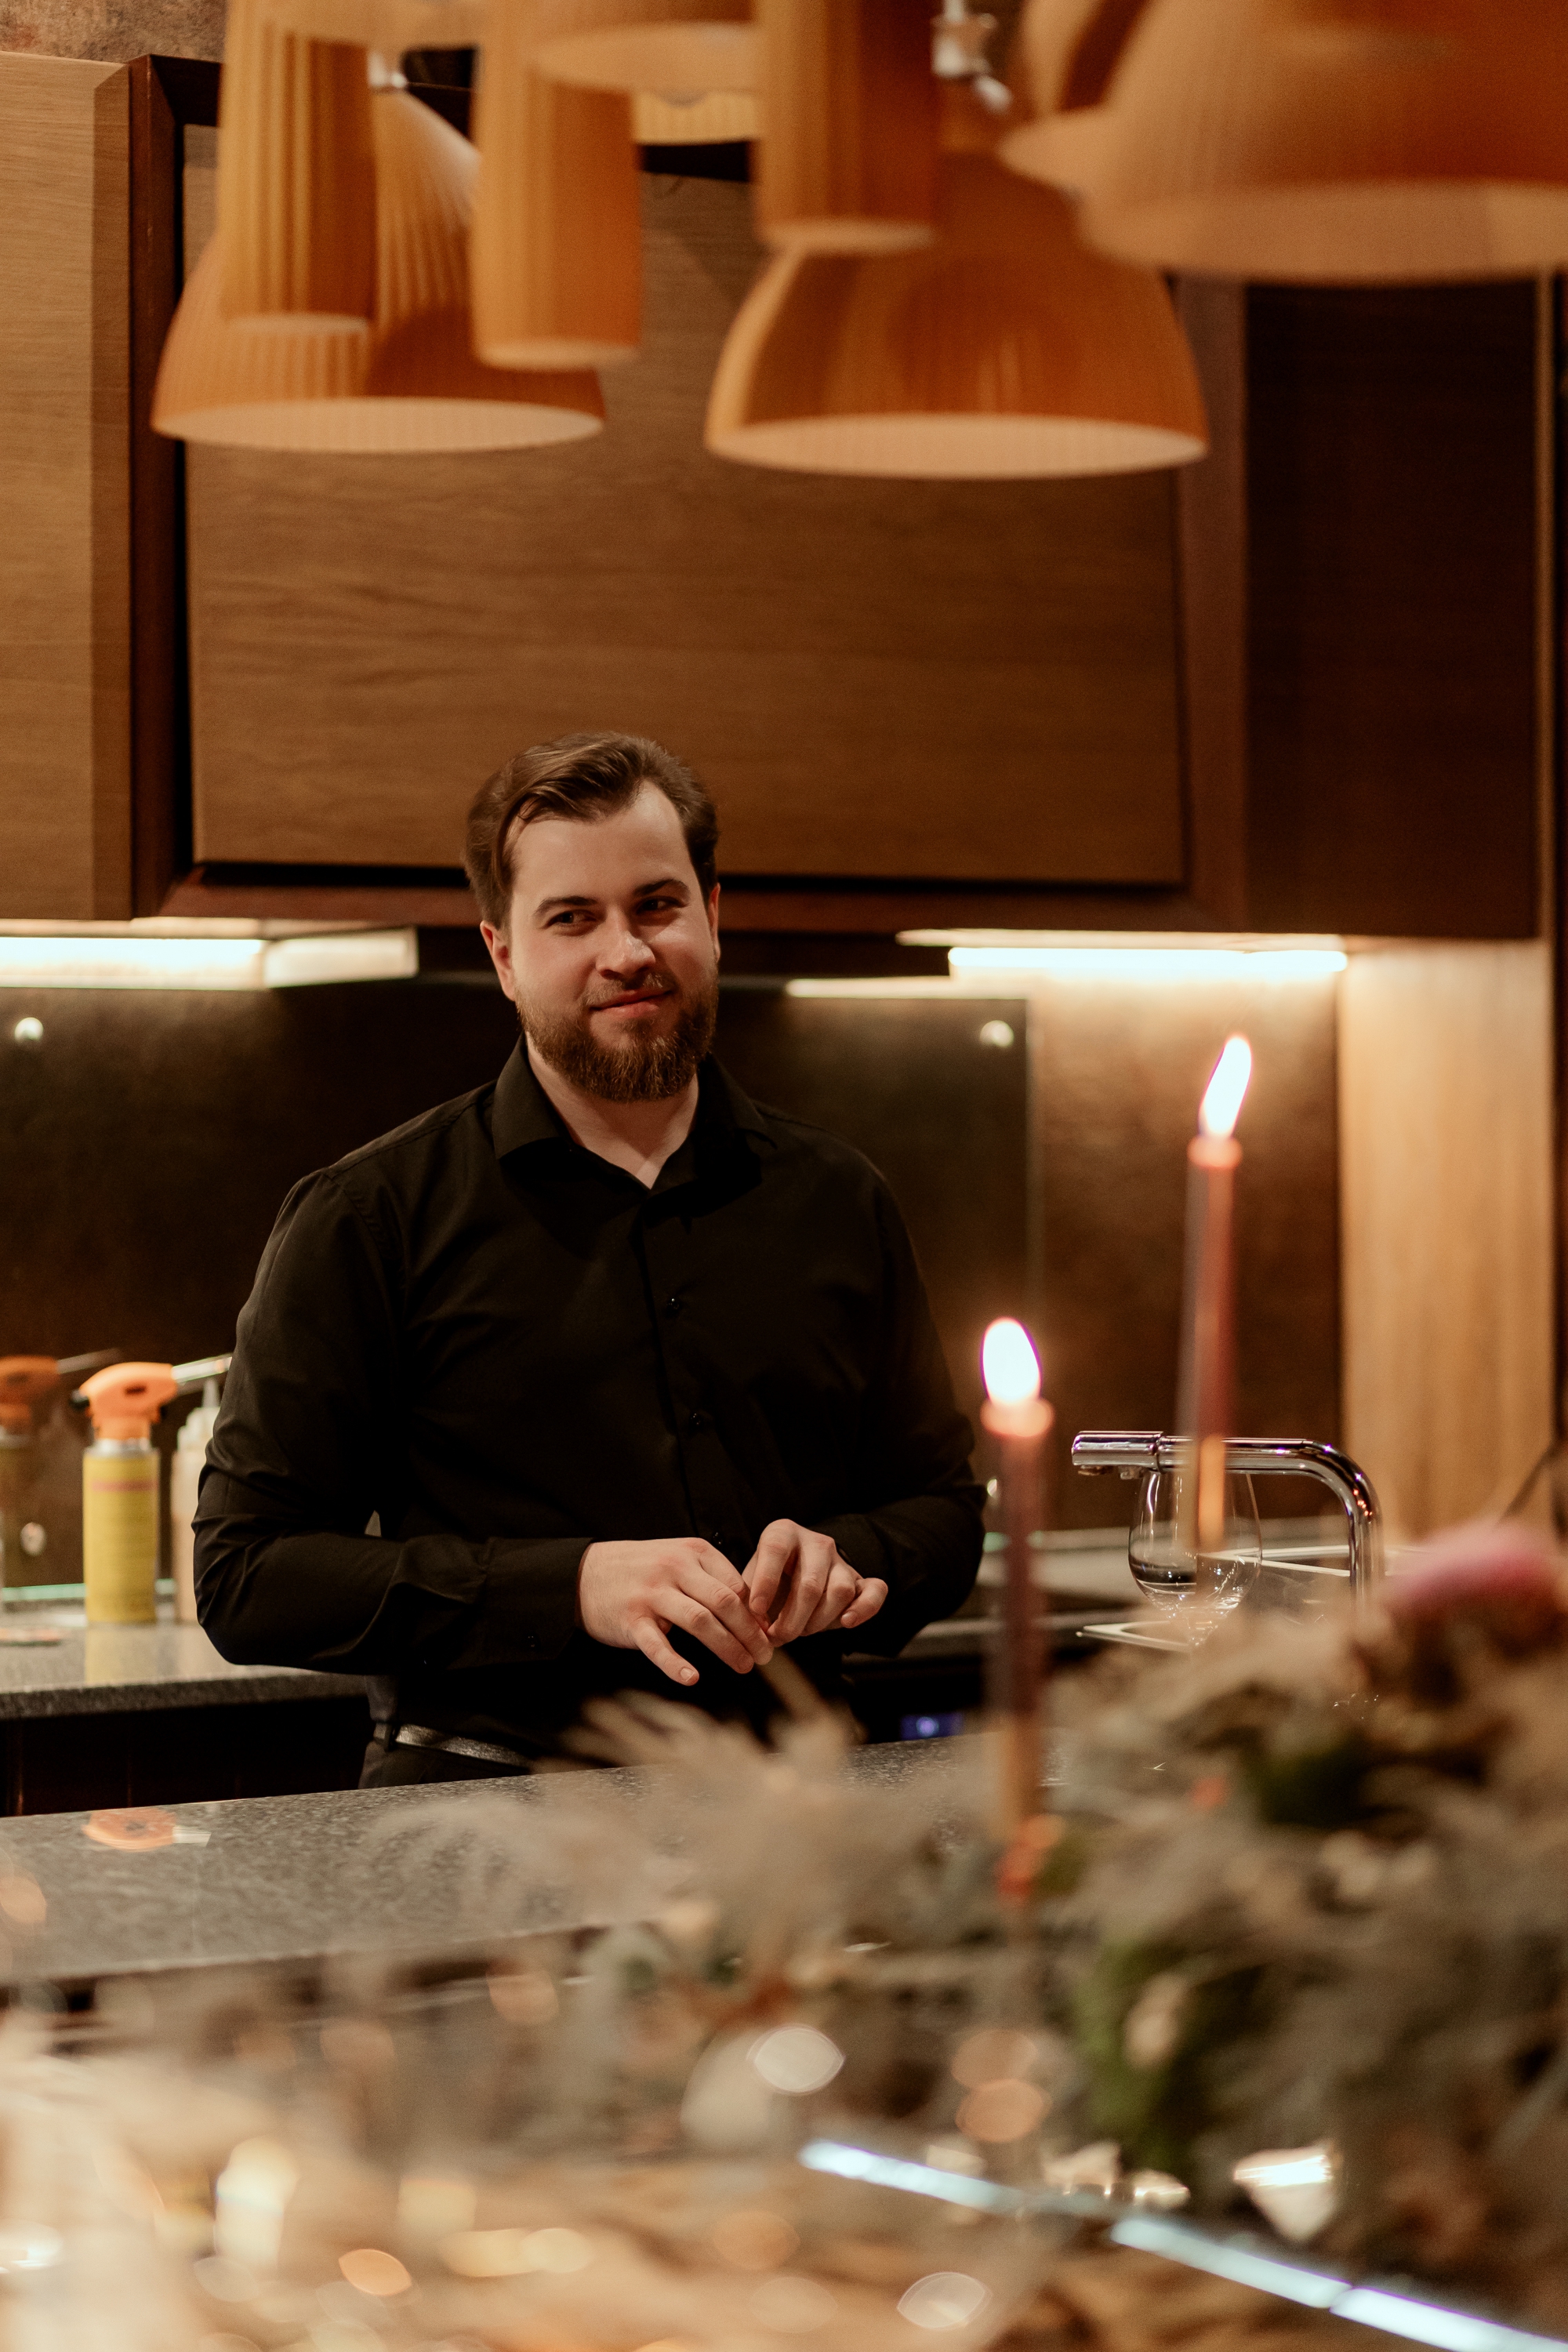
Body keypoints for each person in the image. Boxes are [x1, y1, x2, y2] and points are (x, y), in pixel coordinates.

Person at [194, 732, 984, 1784]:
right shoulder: (367, 1216)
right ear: (503, 956)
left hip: (796, 1821)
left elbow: (943, 1515)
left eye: (657, 905)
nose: (627, 952)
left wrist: (851, 1561)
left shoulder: (841, 1199)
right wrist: (572, 1587)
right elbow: (247, 1576)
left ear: (712, 916)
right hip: (484, 1822)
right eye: (572, 918)